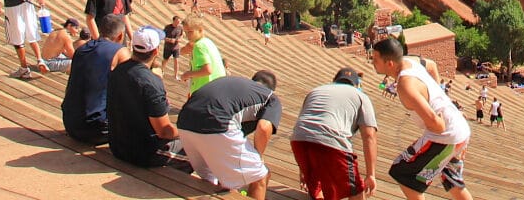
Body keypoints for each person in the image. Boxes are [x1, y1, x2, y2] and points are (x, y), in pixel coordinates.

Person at [369, 37, 473, 200]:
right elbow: (432, 65)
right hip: (461, 130)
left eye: (375, 59)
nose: (372, 62)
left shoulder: (405, 85)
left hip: (446, 136)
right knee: (452, 180)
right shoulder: (410, 61)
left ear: (389, 63)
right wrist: (441, 97)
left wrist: (438, 113)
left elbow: (437, 125)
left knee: (403, 172)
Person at [178, 71, 282, 198]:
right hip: (218, 123)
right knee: (259, 177)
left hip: (185, 123)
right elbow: (264, 128)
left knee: (211, 180)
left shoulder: (236, 85)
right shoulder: (271, 98)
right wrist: (258, 157)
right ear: (272, 89)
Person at [291, 66, 379, 200]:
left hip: (299, 141)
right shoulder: (361, 96)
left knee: (316, 189)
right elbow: (369, 136)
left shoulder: (316, 91)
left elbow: (306, 127)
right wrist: (371, 175)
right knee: (355, 191)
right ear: (357, 85)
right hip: (331, 142)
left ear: (334, 80)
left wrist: (303, 170)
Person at [106, 28, 187, 168]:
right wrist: (187, 133)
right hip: (143, 153)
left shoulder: (117, 71)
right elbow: (164, 131)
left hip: (117, 146)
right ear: (156, 51)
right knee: (196, 146)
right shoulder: (151, 83)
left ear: (132, 47)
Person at [62, 14, 127, 143]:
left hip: (70, 123)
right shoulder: (120, 51)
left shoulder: (81, 49)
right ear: (120, 35)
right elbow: (131, 84)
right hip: (96, 129)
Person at [179, 14, 226, 94]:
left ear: (200, 30)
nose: (187, 35)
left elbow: (207, 70)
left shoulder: (199, 46)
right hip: (217, 89)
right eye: (185, 32)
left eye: (190, 32)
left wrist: (187, 74)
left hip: (205, 92)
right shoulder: (207, 42)